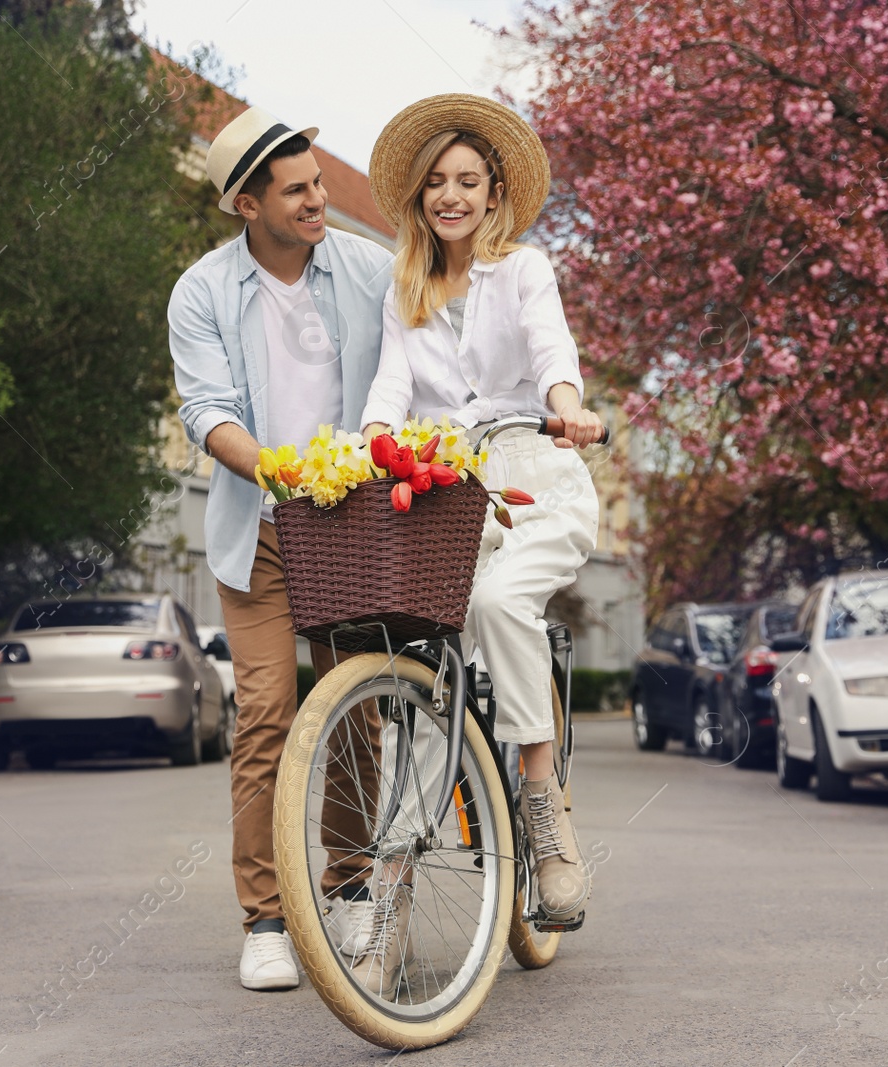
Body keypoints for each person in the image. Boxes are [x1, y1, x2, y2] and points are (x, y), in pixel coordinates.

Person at [356, 93, 603, 993]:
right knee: (425, 676)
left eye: (467, 181)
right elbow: (388, 391)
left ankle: (543, 813)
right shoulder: (408, 290)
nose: (451, 197)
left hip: (539, 479)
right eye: (436, 185)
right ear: (420, 199)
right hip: (450, 492)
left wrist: (568, 405)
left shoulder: (525, 270)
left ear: (495, 192)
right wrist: (362, 452)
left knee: (501, 604)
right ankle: (387, 896)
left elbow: (551, 350)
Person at [168, 105, 393, 992]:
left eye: (318, 182)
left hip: (352, 530)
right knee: (266, 713)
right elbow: (207, 413)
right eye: (297, 189)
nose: (318, 199)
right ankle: (263, 918)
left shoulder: (367, 268)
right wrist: (280, 473)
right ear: (244, 205)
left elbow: (429, 329)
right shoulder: (203, 292)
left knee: (358, 715)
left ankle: (352, 883)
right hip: (261, 531)